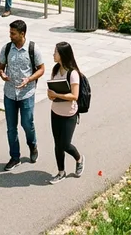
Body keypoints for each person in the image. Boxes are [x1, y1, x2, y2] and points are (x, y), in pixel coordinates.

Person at [0, 19, 45, 171]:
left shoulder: (33, 48)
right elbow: (0, 68)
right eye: (10, 33)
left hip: (27, 94)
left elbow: (41, 69)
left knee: (27, 124)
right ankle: (15, 157)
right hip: (10, 94)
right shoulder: (6, 48)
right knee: (11, 128)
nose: (10, 36)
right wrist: (2, 74)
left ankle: (33, 145)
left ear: (22, 34)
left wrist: (29, 79)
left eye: (13, 33)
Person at [47, 42, 85, 183]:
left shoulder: (73, 74)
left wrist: (57, 94)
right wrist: (51, 94)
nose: (53, 54)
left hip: (69, 114)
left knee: (65, 144)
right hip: (55, 112)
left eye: (55, 52)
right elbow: (51, 92)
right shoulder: (55, 69)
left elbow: (74, 96)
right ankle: (61, 172)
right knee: (57, 144)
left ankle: (79, 158)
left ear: (62, 54)